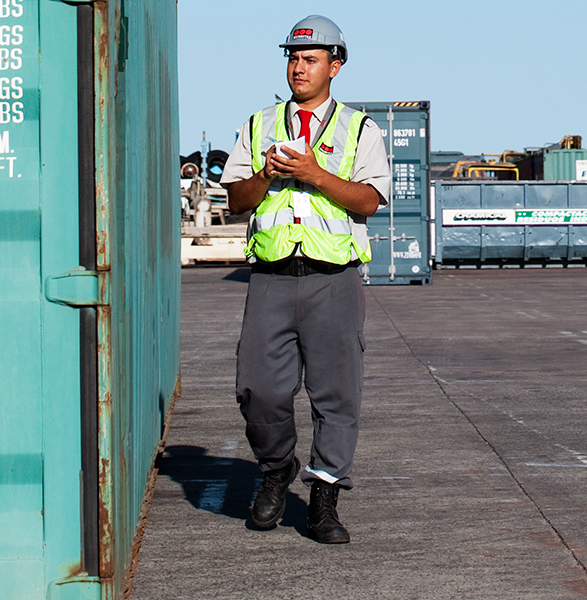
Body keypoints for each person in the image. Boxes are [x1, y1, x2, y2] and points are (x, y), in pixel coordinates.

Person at [218, 14, 390, 544]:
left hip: (332, 279)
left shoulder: (360, 129)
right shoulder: (257, 125)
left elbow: (371, 200)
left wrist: (316, 173)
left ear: (335, 66)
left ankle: (324, 499)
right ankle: (276, 469)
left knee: (337, 394)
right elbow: (234, 202)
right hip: (270, 278)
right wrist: (267, 175)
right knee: (258, 389)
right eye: (292, 57)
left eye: (310, 59)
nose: (299, 66)